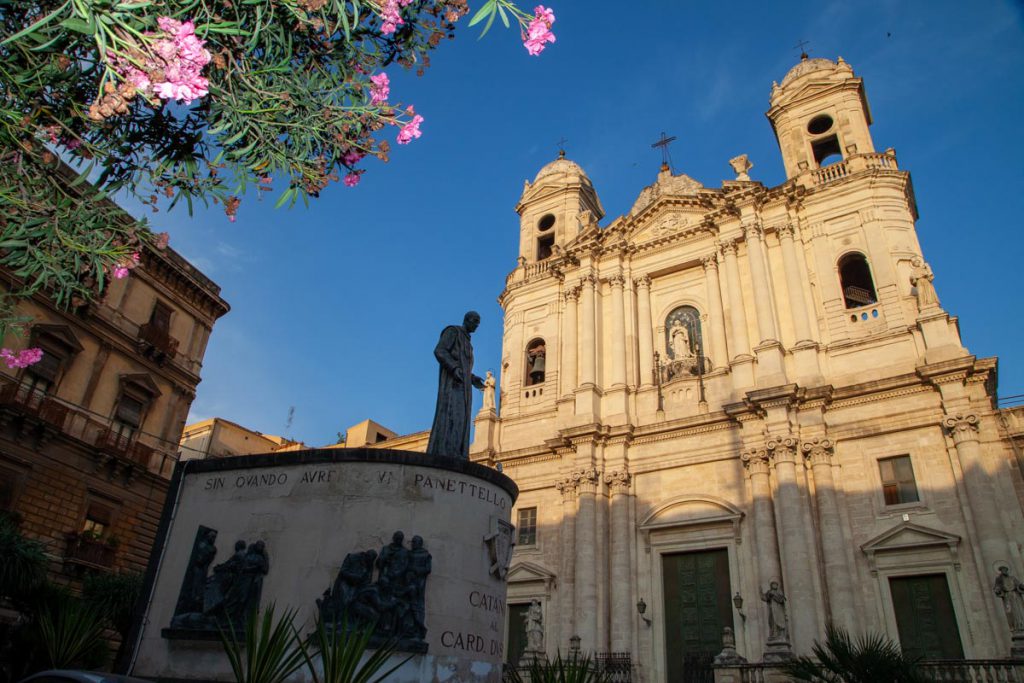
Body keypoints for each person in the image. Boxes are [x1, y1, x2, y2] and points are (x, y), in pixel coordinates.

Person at [426, 311, 485, 459]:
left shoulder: (469, 345)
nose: (477, 325)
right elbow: (439, 350)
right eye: (475, 321)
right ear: (466, 320)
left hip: (463, 388)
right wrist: (453, 368)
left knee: (461, 420)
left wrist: (472, 378)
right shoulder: (453, 331)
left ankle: (457, 453)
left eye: (478, 322)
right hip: (452, 386)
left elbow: (464, 368)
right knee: (450, 417)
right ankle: (445, 453)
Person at [994, 565, 1024, 633]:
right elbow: (997, 587)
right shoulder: (999, 579)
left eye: (1005, 570)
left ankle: (1021, 625)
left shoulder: (1012, 578)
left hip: (1016, 596)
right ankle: (1015, 627)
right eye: (1003, 570)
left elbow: (1018, 584)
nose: (1004, 571)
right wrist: (998, 590)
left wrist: (1021, 586)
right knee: (1010, 612)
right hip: (1008, 597)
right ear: (1001, 571)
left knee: (1020, 610)